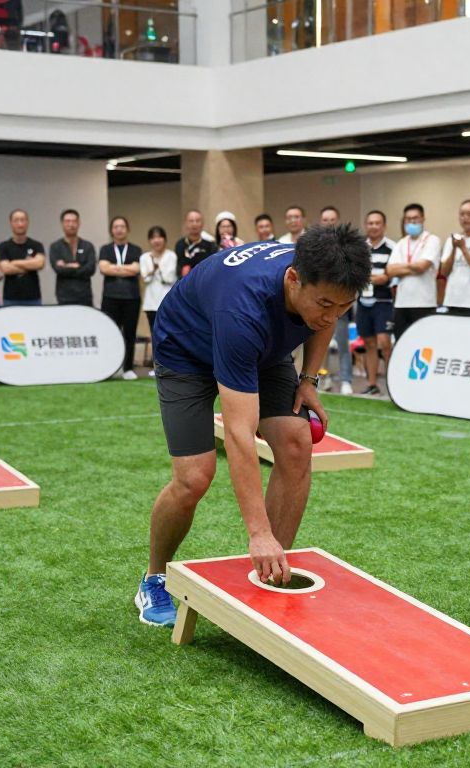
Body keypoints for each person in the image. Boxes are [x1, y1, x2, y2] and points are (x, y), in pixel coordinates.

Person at [136, 226, 371, 627]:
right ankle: (154, 576)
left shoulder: (320, 282)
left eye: (342, 307)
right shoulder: (242, 308)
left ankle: (271, 576)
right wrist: (257, 532)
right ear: (293, 279)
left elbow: (325, 318)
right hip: (187, 351)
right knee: (194, 478)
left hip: (261, 348)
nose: (331, 315)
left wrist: (309, 379)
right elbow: (239, 435)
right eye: (325, 304)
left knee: (297, 440)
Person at [386, 203, 441, 340]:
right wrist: (413, 266)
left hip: (424, 303)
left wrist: (402, 268)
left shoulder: (432, 240)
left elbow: (422, 266)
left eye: (415, 218)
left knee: (423, 345)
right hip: (401, 304)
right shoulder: (401, 243)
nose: (411, 222)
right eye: (408, 219)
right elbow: (390, 270)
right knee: (401, 343)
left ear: (423, 219)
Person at [357, 210, 397, 395]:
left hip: (383, 301)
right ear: (366, 225)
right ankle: (372, 384)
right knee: (369, 343)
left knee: (384, 343)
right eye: (370, 223)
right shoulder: (360, 247)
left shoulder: (392, 247)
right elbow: (356, 274)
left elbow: (389, 277)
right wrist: (376, 277)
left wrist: (373, 277)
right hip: (363, 302)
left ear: (384, 226)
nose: (373, 226)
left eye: (377, 223)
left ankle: (392, 384)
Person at [99, 216, 143, 380]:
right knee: (111, 333)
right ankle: (112, 367)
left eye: (122, 226)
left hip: (131, 297)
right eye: (116, 226)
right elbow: (104, 268)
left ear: (127, 229)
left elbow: (136, 269)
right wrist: (126, 269)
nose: (119, 229)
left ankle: (128, 368)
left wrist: (115, 268)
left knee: (129, 333)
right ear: (112, 230)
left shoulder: (135, 250)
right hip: (110, 296)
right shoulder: (105, 249)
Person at [320, 206, 352, 394]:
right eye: (325, 219)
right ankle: (325, 378)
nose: (329, 223)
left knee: (342, 344)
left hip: (339, 303)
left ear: (338, 221)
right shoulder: (315, 246)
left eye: (332, 219)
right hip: (320, 303)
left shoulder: (347, 246)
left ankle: (346, 379)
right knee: (320, 345)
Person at [0, 209, 45, 306]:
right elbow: (6, 269)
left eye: (23, 220)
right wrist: (30, 265)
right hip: (11, 298)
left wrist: (14, 263)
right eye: (16, 220)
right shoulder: (3, 246)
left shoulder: (37, 245)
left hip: (33, 298)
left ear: (27, 222)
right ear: (11, 223)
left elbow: (39, 263)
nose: (20, 224)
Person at [140, 225, 176, 352]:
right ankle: (157, 365)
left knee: (169, 335)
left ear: (164, 239)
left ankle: (170, 365)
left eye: (159, 237)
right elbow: (145, 278)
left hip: (167, 302)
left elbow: (169, 278)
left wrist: (157, 267)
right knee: (154, 334)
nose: (156, 240)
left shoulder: (171, 256)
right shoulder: (144, 257)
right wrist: (152, 270)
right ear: (149, 240)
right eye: (153, 237)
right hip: (151, 303)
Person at [49, 208, 97, 306]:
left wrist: (67, 266)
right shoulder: (55, 247)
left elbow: (90, 269)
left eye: (74, 221)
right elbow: (59, 270)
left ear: (79, 223)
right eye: (67, 221)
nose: (71, 224)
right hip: (64, 297)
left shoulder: (87, 246)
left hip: (84, 296)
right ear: (62, 224)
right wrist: (78, 267)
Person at [174, 209, 217, 280]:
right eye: (191, 221)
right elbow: (178, 268)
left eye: (198, 221)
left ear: (202, 223)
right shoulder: (180, 244)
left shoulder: (211, 245)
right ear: (185, 223)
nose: (194, 224)